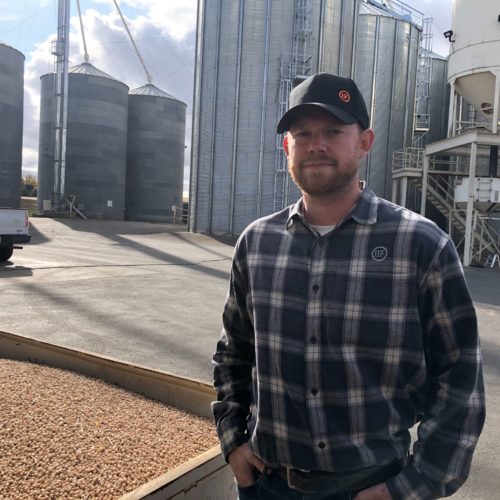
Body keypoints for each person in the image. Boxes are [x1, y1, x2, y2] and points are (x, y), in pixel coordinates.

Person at [212, 73, 485, 499]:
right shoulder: (257, 243)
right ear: (287, 147)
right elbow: (233, 354)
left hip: (372, 487)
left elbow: (460, 377)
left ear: (364, 142)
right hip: (266, 484)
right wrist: (233, 443)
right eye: (302, 134)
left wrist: (415, 486)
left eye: (334, 131)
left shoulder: (420, 244)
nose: (316, 144)